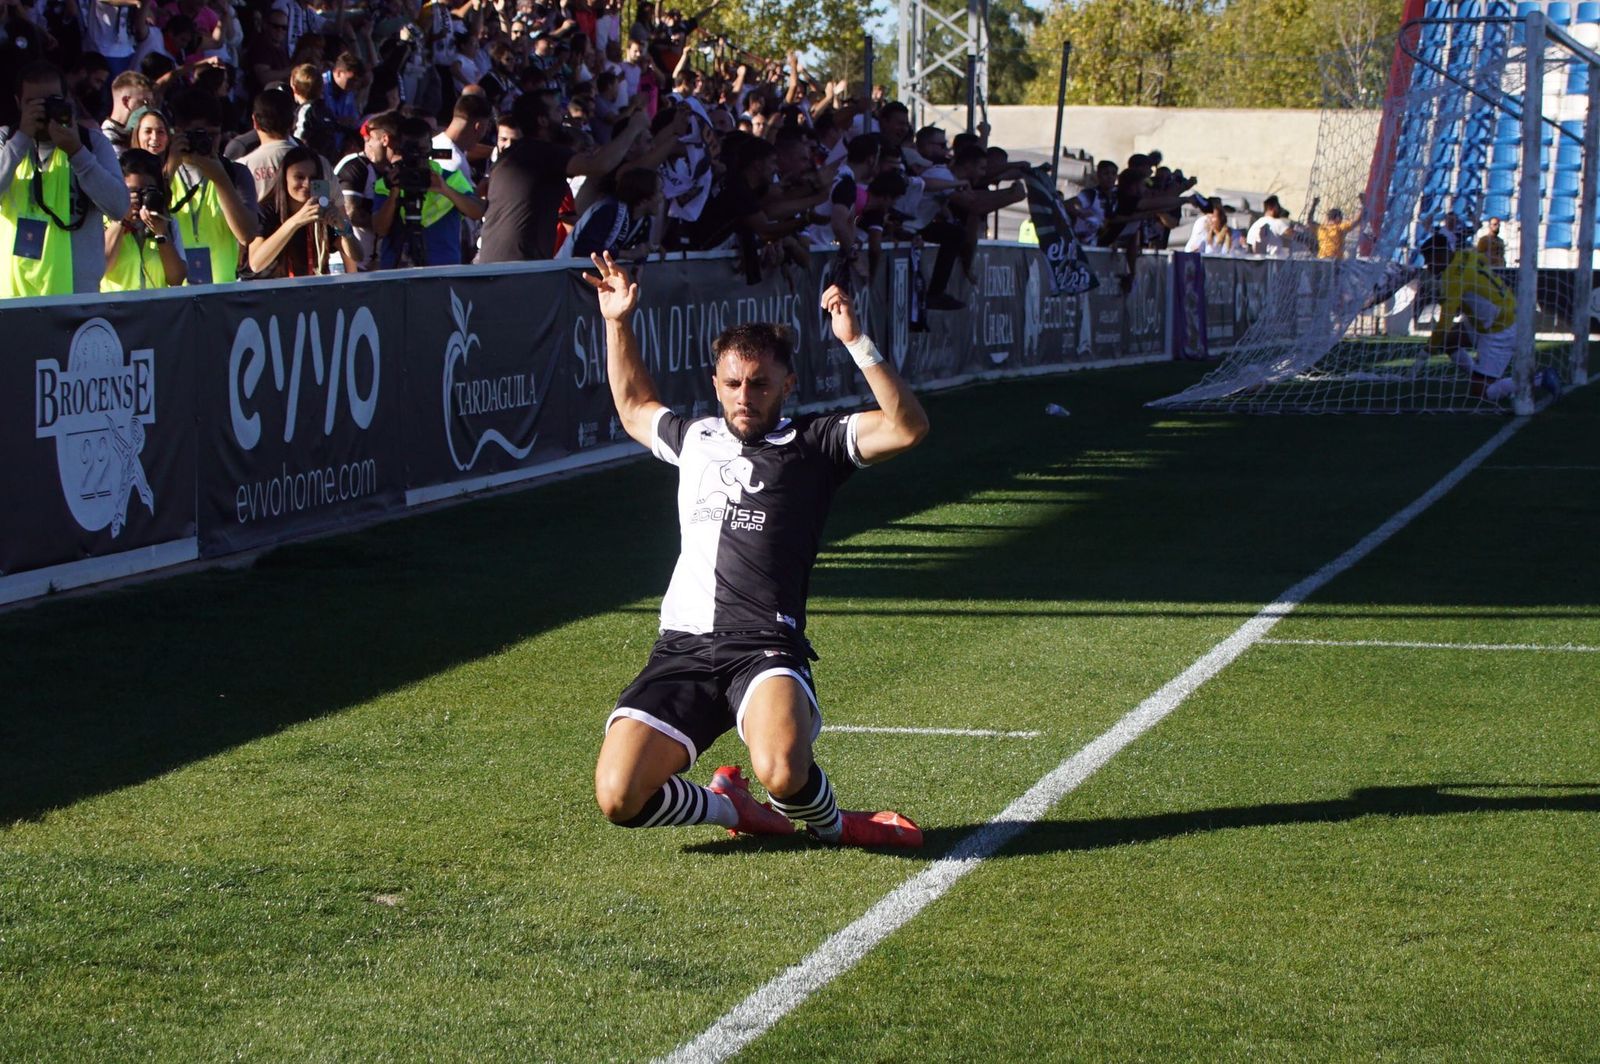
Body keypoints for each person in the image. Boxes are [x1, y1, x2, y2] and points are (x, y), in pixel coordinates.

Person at [585, 251, 930, 848]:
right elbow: (635, 406)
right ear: (716, 385)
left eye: (760, 383)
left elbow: (906, 427)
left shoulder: (816, 444)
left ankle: (833, 825)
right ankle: (731, 810)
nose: (746, 395)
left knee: (782, 770)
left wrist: (856, 341)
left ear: (787, 384)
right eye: (733, 383)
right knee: (618, 796)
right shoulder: (694, 438)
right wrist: (618, 321)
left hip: (764, 645)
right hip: (682, 647)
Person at [0, 60, 130, 298]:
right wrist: (21, 140)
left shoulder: (92, 142)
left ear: (66, 99)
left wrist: (77, 153)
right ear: (18, 103)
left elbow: (119, 207)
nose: (42, 110)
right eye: (33, 103)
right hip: (11, 299)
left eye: (51, 101)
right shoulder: (6, 140)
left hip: (73, 299)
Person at [478, 88, 648, 262]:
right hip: (518, 268)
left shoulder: (512, 155)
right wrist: (634, 128)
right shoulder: (544, 152)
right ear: (543, 121)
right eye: (557, 110)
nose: (563, 114)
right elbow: (600, 165)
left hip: (497, 262)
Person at [1419, 232, 1556, 402]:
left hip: (1500, 330)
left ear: (1440, 255)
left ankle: (1540, 378)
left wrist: (1427, 351)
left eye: (1429, 260)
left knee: (1482, 393)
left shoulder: (1453, 279)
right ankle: (1480, 374)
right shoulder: (1466, 254)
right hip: (1497, 316)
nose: (1427, 265)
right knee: (1450, 340)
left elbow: (1444, 323)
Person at [165, 86, 258, 284]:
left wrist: (220, 178)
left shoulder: (235, 173)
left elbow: (247, 235)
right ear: (179, 132)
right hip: (171, 295)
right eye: (199, 134)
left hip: (221, 294)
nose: (207, 141)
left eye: (213, 135)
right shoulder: (161, 172)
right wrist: (170, 167)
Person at [247, 143, 361, 277]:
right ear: (284, 178)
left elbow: (358, 255)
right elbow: (256, 264)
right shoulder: (266, 210)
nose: (307, 184)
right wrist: (295, 222)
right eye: (299, 177)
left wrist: (343, 227)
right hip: (272, 292)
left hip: (311, 291)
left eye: (313, 178)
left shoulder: (321, 211)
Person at [102, 147, 186, 290]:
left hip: (156, 308)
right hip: (115, 310)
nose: (140, 197)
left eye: (147, 191)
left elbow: (176, 279)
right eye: (132, 191)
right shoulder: (104, 220)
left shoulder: (167, 222)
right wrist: (121, 220)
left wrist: (161, 234)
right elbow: (100, 268)